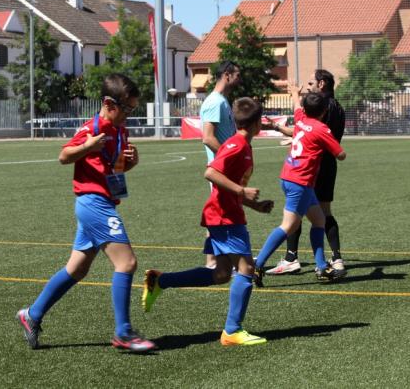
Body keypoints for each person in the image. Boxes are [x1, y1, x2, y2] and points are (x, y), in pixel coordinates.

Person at [16, 73, 155, 353]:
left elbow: (113, 171)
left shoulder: (120, 130)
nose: (129, 115)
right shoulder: (91, 128)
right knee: (126, 263)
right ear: (108, 104)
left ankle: (32, 314)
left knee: (77, 269)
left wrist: (130, 164)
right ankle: (124, 333)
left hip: (103, 202)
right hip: (93, 203)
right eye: (127, 109)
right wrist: (87, 146)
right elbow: (63, 156)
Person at [142, 97, 273, 346]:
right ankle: (232, 331)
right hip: (224, 216)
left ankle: (161, 280)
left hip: (225, 213)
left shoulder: (243, 144)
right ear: (257, 124)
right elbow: (211, 172)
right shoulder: (236, 145)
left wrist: (254, 204)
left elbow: (228, 187)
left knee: (222, 273)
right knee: (246, 268)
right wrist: (242, 192)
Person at [254, 86, 346, 287]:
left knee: (319, 220)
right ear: (324, 112)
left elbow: (296, 105)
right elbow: (341, 154)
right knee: (288, 226)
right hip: (300, 182)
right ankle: (257, 265)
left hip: (290, 176)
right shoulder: (322, 129)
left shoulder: (301, 120)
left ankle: (322, 267)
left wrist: (295, 92)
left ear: (305, 109)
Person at [200, 60, 241, 268]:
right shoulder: (215, 102)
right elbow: (208, 138)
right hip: (221, 169)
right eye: (237, 75)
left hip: (226, 168)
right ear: (227, 75)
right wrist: (229, 156)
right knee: (223, 215)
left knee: (220, 214)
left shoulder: (222, 100)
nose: (239, 78)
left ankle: (214, 260)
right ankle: (226, 262)